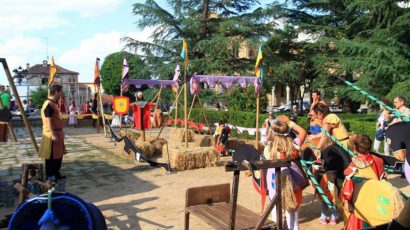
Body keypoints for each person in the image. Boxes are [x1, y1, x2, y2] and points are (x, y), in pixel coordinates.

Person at [264, 115, 308, 230]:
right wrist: (289, 122)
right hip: (294, 184)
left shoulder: (269, 148)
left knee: (276, 216)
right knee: (293, 218)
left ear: (272, 134)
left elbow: (268, 137)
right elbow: (303, 132)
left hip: (274, 184)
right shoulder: (294, 146)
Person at [340, 134, 385, 229]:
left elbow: (348, 186)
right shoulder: (379, 160)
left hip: (360, 202)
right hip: (376, 199)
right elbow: (383, 180)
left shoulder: (353, 165)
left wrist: (346, 200)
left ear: (355, 148)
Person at [39, 84, 66, 182]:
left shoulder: (53, 103)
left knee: (58, 155)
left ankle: (56, 173)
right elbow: (48, 120)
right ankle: (50, 175)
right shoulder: (48, 104)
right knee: (51, 156)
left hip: (57, 133)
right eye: (60, 92)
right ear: (56, 92)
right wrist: (53, 134)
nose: (61, 94)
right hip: (52, 134)